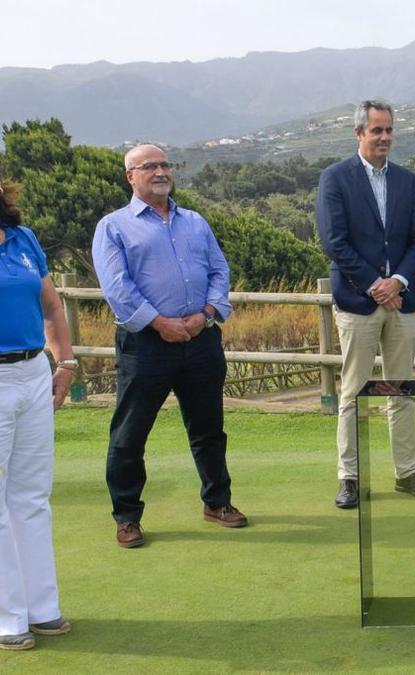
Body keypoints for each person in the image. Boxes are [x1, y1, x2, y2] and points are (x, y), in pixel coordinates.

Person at [93, 144, 247, 549]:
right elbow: (116, 288)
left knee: (209, 429)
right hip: (145, 344)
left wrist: (206, 314)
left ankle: (218, 502)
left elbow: (219, 269)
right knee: (130, 433)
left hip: (201, 339)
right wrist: (159, 323)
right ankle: (127, 516)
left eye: (165, 164)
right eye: (149, 166)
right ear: (131, 176)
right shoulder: (113, 226)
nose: (160, 171)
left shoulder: (195, 222)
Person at [317, 100, 415, 508]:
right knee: (352, 391)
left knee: (400, 390)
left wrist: (397, 281)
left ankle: (407, 473)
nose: (384, 137)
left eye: (388, 131)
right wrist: (374, 284)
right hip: (356, 302)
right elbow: (335, 242)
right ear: (358, 134)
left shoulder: (407, 181)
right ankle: (348, 477)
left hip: (402, 301)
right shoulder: (335, 179)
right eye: (376, 131)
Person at [0, 175, 74, 650]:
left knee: (31, 496)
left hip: (32, 373)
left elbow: (50, 305)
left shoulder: (23, 239)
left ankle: (42, 607)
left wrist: (64, 360)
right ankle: (9, 617)